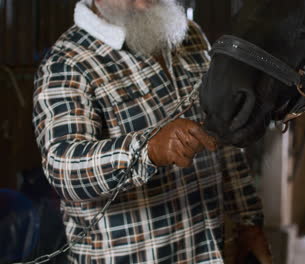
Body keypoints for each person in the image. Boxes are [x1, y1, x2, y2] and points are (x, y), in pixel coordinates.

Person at [32, 0, 271, 263]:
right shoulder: (68, 61)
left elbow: (221, 136)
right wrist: (148, 150)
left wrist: (249, 220)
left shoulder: (188, 34)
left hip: (206, 252)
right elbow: (63, 169)